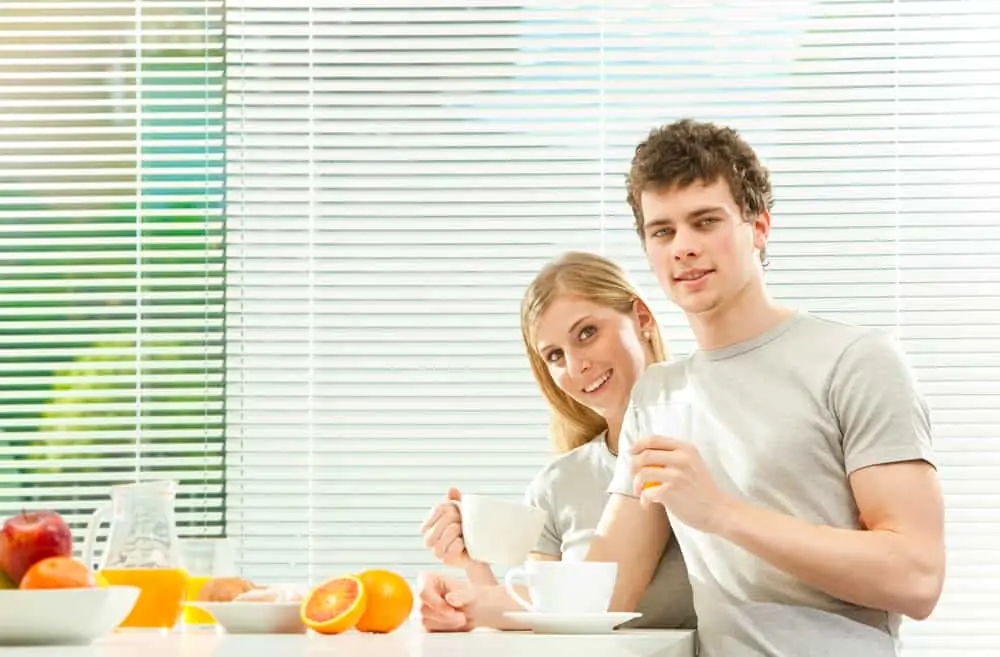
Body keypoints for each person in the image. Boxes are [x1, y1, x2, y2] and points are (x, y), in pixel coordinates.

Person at [420, 119, 946, 657]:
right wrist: (474, 596)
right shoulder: (656, 398)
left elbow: (916, 578)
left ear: (758, 227)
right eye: (663, 231)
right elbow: (603, 595)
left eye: (705, 221)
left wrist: (720, 513)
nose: (683, 248)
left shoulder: (856, 362)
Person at [418, 250, 696, 632]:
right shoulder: (557, 484)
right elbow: (543, 620)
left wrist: (472, 604)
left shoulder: (699, 443)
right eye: (554, 356)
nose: (576, 365)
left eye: (587, 333)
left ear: (642, 318)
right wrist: (471, 565)